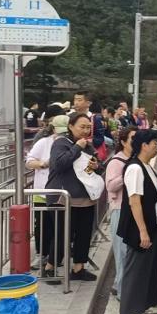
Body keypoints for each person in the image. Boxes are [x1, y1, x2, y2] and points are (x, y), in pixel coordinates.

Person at [44, 112, 103, 281]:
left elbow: (97, 169)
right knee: (63, 234)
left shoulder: (88, 146)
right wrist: (77, 147)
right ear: (70, 126)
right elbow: (59, 164)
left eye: (88, 127)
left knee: (84, 234)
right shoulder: (61, 143)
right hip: (64, 198)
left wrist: (96, 166)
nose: (86, 130)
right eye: (82, 127)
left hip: (85, 197)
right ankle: (50, 267)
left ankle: (78, 268)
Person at [117, 129, 157, 314]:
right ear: (144, 145)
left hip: (154, 223)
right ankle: (128, 312)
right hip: (141, 227)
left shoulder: (146, 167)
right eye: (154, 143)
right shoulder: (135, 168)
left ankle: (144, 304)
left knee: (149, 267)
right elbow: (134, 201)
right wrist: (142, 231)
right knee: (136, 269)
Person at [26, 115, 68, 272]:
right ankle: (42, 255)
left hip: (62, 194)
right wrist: (44, 163)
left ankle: (55, 257)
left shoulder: (71, 144)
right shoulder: (43, 143)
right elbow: (29, 162)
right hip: (43, 191)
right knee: (42, 226)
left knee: (59, 227)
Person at [104, 125, 138, 299]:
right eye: (133, 138)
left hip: (132, 210)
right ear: (124, 142)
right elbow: (110, 186)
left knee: (129, 252)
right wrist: (126, 173)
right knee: (122, 251)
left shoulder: (135, 159)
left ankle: (120, 285)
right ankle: (123, 292)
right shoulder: (116, 162)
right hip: (119, 210)